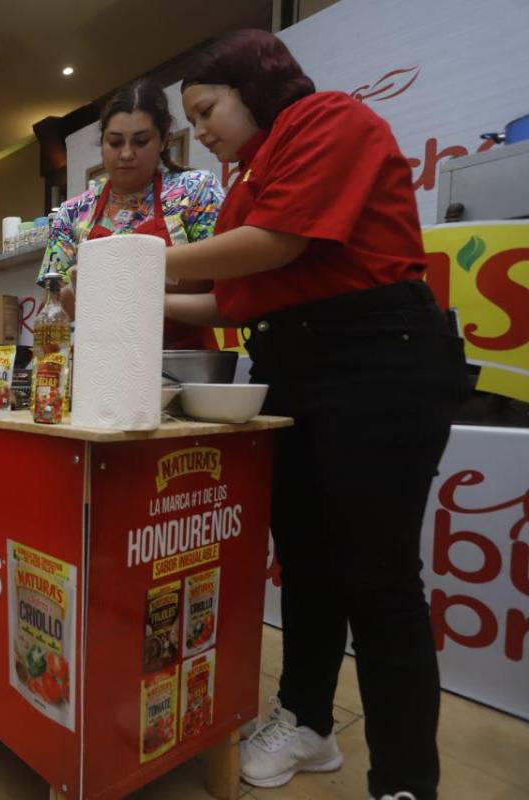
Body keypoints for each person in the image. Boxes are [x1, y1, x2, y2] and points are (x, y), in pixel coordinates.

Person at [161, 30, 469, 800]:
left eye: (207, 110)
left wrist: (137, 259)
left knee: (378, 575)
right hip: (292, 367)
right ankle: (308, 724)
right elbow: (228, 294)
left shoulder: (332, 121)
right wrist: (127, 287)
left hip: (377, 358)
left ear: (255, 85)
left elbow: (277, 243)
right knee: (303, 563)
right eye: (192, 121)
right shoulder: (249, 176)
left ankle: (404, 780)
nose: (201, 133)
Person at [46, 77, 224, 349]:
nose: (126, 154)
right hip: (100, 360)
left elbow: (222, 275)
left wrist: (120, 281)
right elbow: (53, 304)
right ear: (102, 142)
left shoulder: (196, 190)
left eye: (141, 141)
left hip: (184, 360)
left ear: (164, 140)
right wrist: (77, 288)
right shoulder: (72, 213)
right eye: (115, 142)